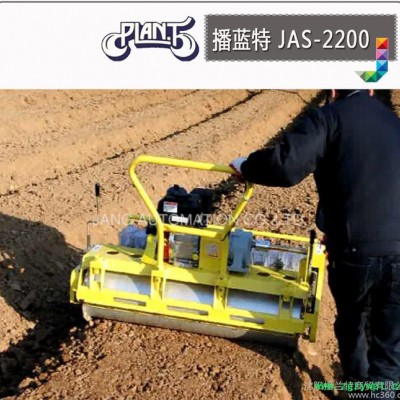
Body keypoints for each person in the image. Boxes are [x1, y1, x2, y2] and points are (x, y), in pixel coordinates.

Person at [230, 89, 400, 394]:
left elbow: (286, 165)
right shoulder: (393, 122)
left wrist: (247, 166)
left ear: (333, 91)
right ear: (372, 89)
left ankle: (357, 387)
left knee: (353, 323)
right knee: (390, 346)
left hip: (355, 248)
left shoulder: (329, 118)